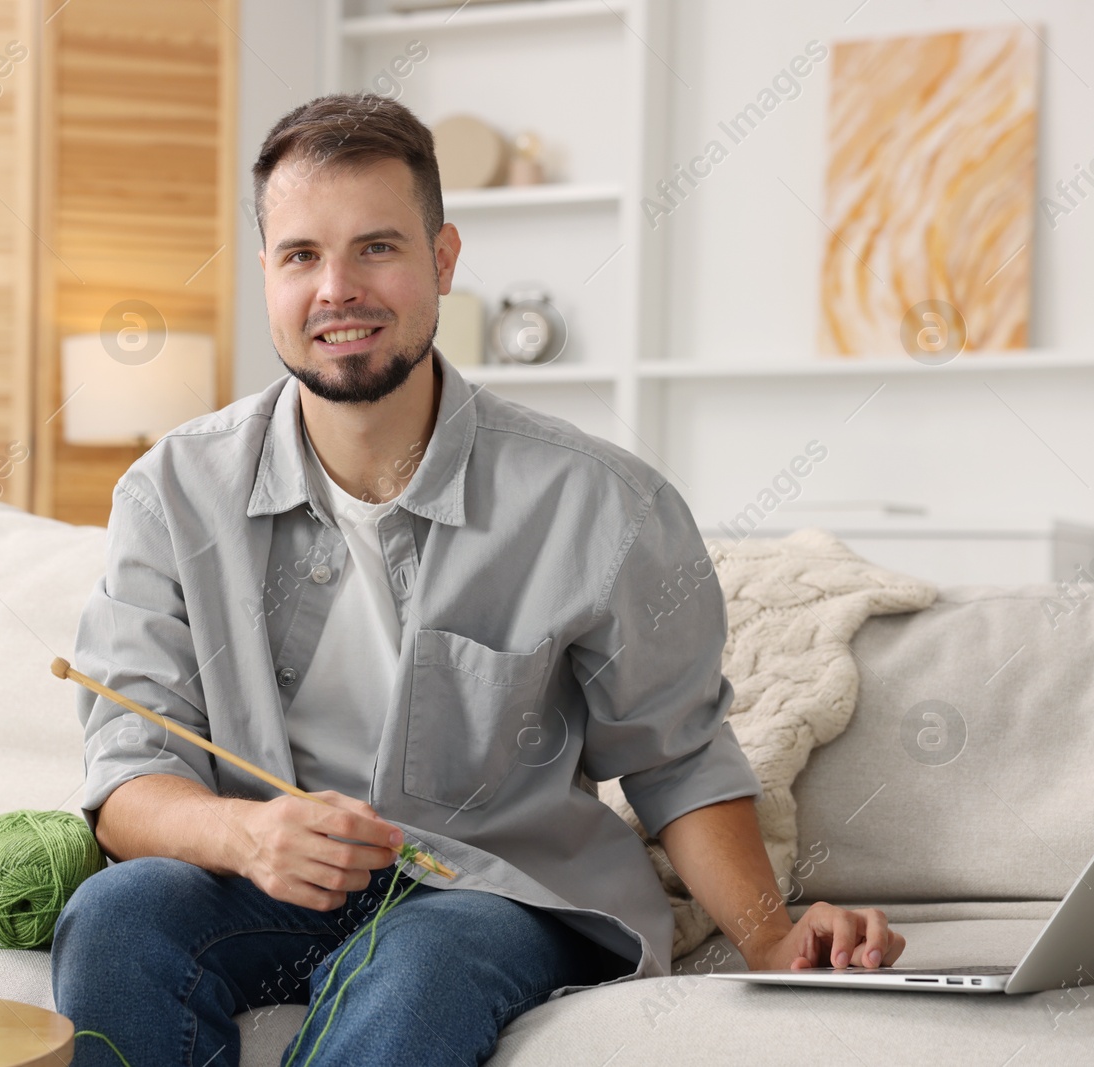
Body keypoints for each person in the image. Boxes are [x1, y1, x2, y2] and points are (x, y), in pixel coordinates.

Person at [51, 92, 905, 1067]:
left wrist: (767, 932)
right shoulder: (170, 493)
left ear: (442, 259)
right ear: (266, 275)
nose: (337, 287)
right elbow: (127, 776)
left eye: (377, 247)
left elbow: (675, 757)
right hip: (258, 883)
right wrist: (247, 835)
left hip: (492, 892)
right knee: (117, 913)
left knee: (423, 963)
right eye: (301, 256)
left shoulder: (600, 502)